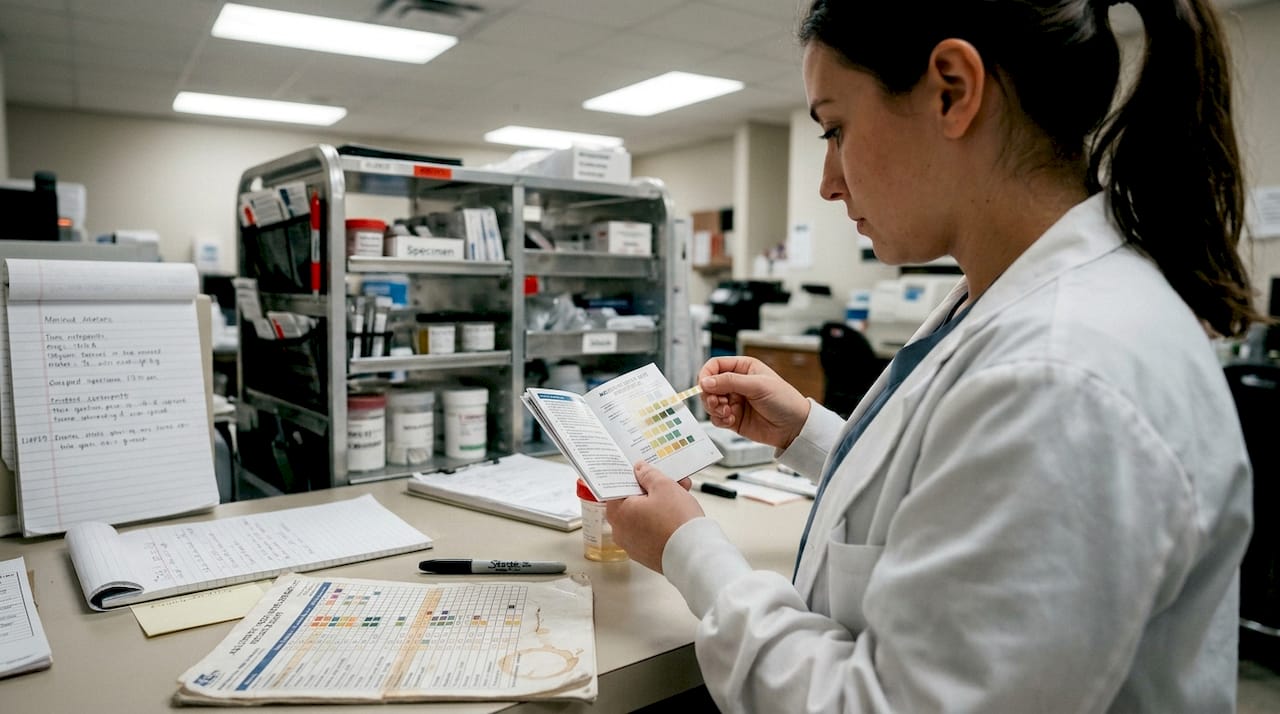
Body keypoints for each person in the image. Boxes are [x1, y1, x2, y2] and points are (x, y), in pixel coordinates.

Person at [605, 1, 1261, 711]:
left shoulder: (1061, 376)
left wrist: (689, 549)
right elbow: (954, 488)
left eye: (835, 129)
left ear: (952, 90)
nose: (828, 181)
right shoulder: (1005, 302)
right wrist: (811, 433)